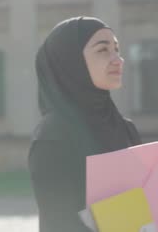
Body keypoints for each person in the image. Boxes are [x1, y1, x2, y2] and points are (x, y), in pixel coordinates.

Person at [28, 16, 142, 231]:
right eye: (103, 50)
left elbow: (139, 216)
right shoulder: (53, 136)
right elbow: (60, 224)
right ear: (72, 61)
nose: (118, 59)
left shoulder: (126, 129)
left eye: (117, 49)